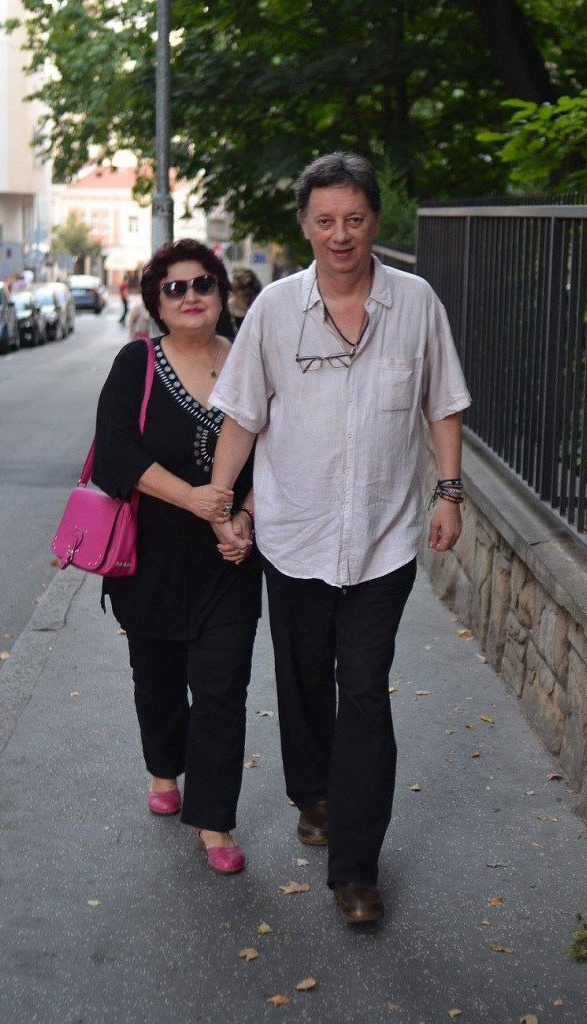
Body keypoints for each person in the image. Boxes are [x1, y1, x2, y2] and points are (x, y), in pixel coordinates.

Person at [208, 152, 471, 923]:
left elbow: (442, 401)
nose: (341, 234)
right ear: (304, 225)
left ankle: (356, 870)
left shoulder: (415, 303)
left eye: (354, 218)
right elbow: (243, 414)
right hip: (294, 532)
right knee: (301, 676)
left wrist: (449, 491)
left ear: (375, 221)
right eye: (325, 220)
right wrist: (222, 503)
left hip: (384, 538)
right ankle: (313, 794)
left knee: (361, 686)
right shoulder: (274, 311)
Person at [92, 239, 261, 875]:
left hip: (230, 558)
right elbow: (114, 454)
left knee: (222, 687)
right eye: (175, 288)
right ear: (157, 303)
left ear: (222, 292)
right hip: (150, 557)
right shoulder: (136, 363)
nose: (191, 296)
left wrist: (243, 517)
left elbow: (280, 450)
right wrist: (193, 499)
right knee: (158, 680)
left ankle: (214, 821)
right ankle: (165, 767)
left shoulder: (250, 358)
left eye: (203, 283)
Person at [228, 267, 262, 335]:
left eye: (253, 298)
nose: (250, 302)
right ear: (235, 294)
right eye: (246, 297)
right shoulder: (220, 313)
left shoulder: (258, 316)